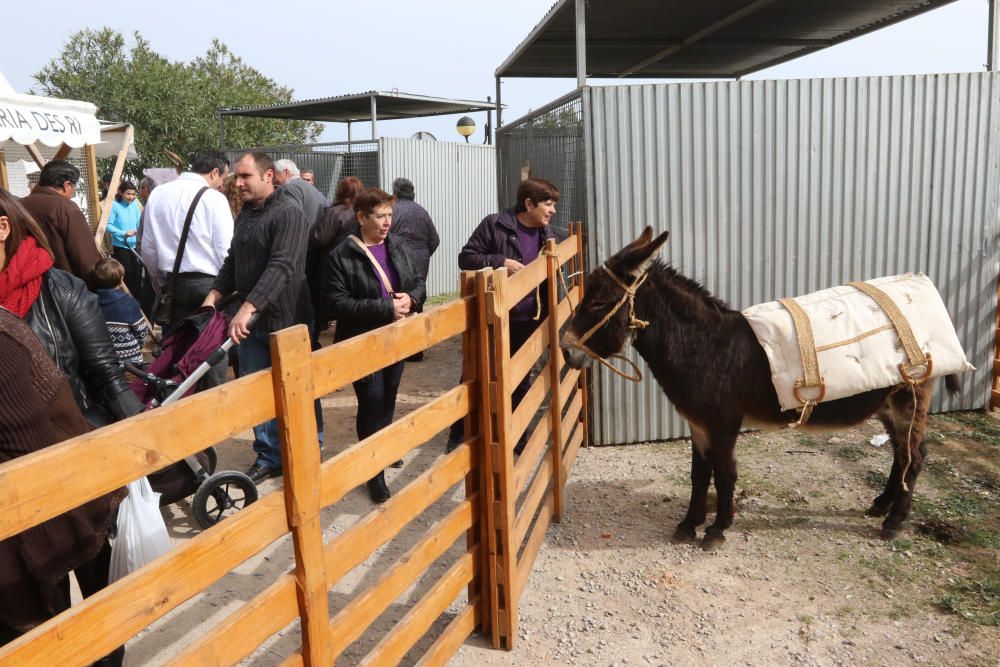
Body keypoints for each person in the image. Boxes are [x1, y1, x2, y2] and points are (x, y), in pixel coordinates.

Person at [0, 306, 127, 667]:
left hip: (57, 508)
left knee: (76, 633)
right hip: (54, 497)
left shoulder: (4, 339)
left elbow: (30, 455)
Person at [201, 152, 320, 483]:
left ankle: (311, 445)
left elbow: (282, 265)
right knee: (257, 389)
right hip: (251, 323)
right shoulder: (247, 215)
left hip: (288, 319)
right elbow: (232, 261)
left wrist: (248, 307)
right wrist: (214, 296)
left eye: (245, 177)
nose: (237, 183)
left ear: (268, 176)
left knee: (300, 387)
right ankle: (269, 455)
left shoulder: (290, 214)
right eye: (236, 177)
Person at [0, 187, 143, 425]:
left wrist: (144, 433)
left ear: (3, 227)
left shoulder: (62, 291)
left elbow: (106, 374)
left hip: (64, 431)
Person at [325, 187, 426, 503]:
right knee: (372, 401)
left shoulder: (397, 244)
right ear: (361, 218)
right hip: (361, 344)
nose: (387, 222)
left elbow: (417, 282)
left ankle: (384, 447)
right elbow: (336, 304)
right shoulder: (341, 255)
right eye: (380, 216)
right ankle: (373, 472)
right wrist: (384, 308)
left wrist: (411, 298)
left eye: (389, 215)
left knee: (389, 396)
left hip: (395, 339)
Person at [447, 177, 561, 453]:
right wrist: (500, 262)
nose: (553, 210)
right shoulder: (494, 224)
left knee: (521, 378)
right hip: (493, 319)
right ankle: (460, 434)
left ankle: (517, 435)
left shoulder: (549, 236)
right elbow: (467, 257)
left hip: (529, 319)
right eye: (548, 204)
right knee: (476, 373)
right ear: (529, 203)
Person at [141, 151, 233, 387]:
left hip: (172, 286)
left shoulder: (158, 194)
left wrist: (162, 282)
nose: (223, 185)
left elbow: (148, 249)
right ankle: (213, 409)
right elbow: (226, 250)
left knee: (179, 349)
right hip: (211, 285)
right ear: (215, 172)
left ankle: (182, 405)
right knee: (212, 350)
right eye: (223, 178)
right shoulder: (214, 199)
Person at [19, 160, 102, 289]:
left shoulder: (19, 206)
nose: (73, 192)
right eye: (74, 188)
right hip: (65, 291)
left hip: (25, 287)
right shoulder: (66, 208)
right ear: (67, 185)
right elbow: (85, 259)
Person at [390, 177, 439, 361]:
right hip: (421, 260)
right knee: (416, 303)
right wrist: (423, 254)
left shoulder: (393, 211)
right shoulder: (422, 212)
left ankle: (400, 348)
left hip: (399, 260)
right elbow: (435, 240)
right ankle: (417, 350)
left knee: (399, 302)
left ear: (395, 193)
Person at [307, 176, 362, 334]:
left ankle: (315, 340)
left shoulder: (335, 212)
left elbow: (321, 238)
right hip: (355, 265)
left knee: (322, 305)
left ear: (340, 191)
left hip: (331, 266)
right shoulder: (361, 213)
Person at [93, 257, 147, 366]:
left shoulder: (90, 303)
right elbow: (142, 333)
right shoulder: (130, 304)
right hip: (131, 362)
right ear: (121, 279)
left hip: (104, 361)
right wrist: (137, 347)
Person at [106, 181, 143, 298]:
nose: (131, 197)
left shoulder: (135, 206)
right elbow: (108, 225)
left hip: (134, 245)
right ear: (121, 192)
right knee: (128, 274)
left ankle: (138, 301)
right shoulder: (115, 206)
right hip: (122, 245)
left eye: (133, 194)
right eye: (128, 194)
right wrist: (123, 233)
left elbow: (138, 223)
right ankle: (127, 298)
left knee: (137, 274)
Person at [272, 159, 328, 227]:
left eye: (275, 174)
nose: (273, 178)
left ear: (286, 172)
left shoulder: (290, 188)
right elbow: (328, 209)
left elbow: (290, 219)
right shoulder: (314, 190)